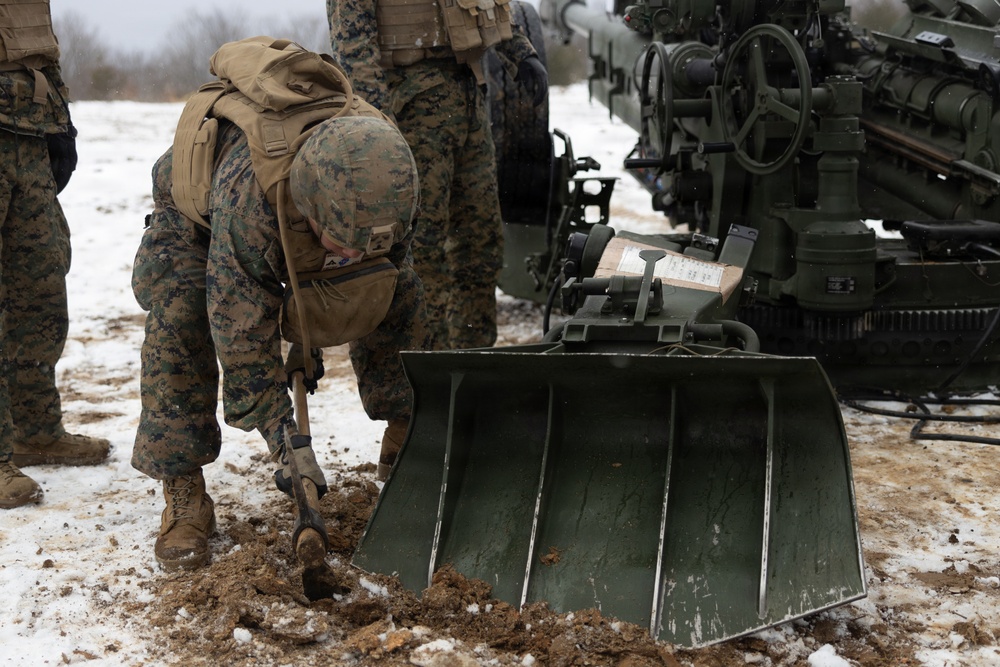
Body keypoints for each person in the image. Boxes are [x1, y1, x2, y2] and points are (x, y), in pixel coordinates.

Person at [130, 43, 426, 570]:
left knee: (399, 289)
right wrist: (286, 443)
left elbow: (391, 274)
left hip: (310, 210)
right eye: (341, 241)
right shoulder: (253, 204)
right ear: (309, 207)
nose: (353, 256)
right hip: (194, 216)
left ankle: (407, 423)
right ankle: (183, 491)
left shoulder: (388, 180)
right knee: (181, 318)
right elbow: (241, 336)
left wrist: (353, 262)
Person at [327, 0, 548, 355]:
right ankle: (432, 368)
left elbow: (484, 6)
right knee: (422, 251)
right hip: (410, 111)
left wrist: (520, 51)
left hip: (468, 99)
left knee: (481, 243)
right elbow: (354, 48)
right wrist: (377, 126)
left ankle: (475, 359)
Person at [0, 0, 110, 509]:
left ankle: (35, 430)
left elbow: (38, 52)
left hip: (29, 139)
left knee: (41, 289)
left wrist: (60, 124)